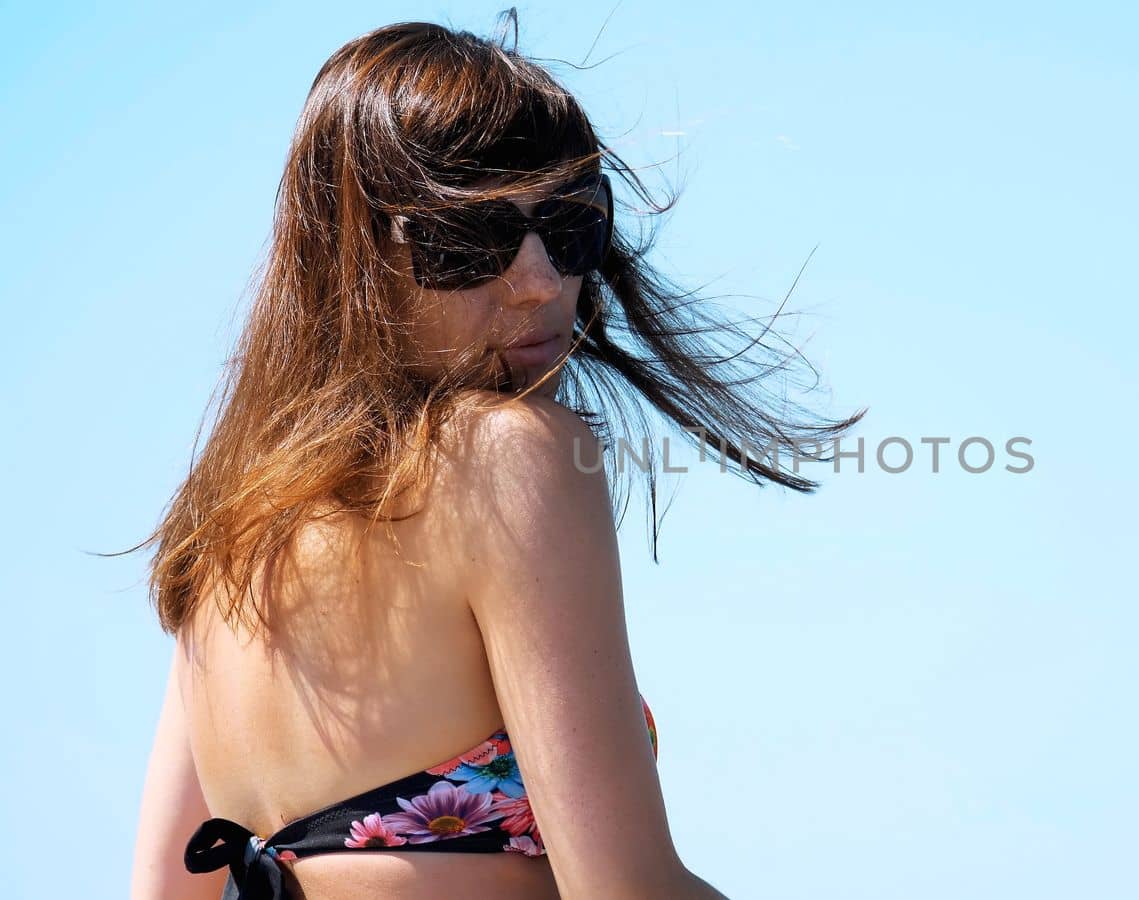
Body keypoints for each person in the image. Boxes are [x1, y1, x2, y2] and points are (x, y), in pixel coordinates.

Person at [126, 11, 864, 900]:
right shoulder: (511, 455)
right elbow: (625, 888)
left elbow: (163, 892)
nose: (541, 281)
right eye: (468, 242)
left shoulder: (228, 528)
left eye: (568, 228)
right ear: (355, 255)